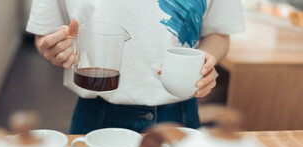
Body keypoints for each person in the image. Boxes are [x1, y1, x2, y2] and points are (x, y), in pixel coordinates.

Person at [26, 0, 245, 134]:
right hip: (96, 112)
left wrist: (206, 60)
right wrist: (54, 48)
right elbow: (45, 32)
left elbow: (218, 34)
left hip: (180, 114)